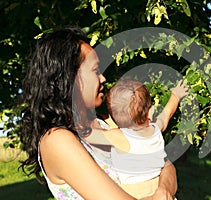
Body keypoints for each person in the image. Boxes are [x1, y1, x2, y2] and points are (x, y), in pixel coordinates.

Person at [19, 26, 177, 200]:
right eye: (95, 70)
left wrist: (164, 191)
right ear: (69, 78)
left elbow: (164, 164)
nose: (103, 78)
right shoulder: (56, 141)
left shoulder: (108, 121)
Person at [85, 79, 188, 199]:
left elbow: (89, 135)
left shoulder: (119, 136)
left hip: (136, 193)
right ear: (150, 113)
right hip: (159, 186)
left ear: (114, 119)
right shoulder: (155, 130)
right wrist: (176, 95)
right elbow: (166, 114)